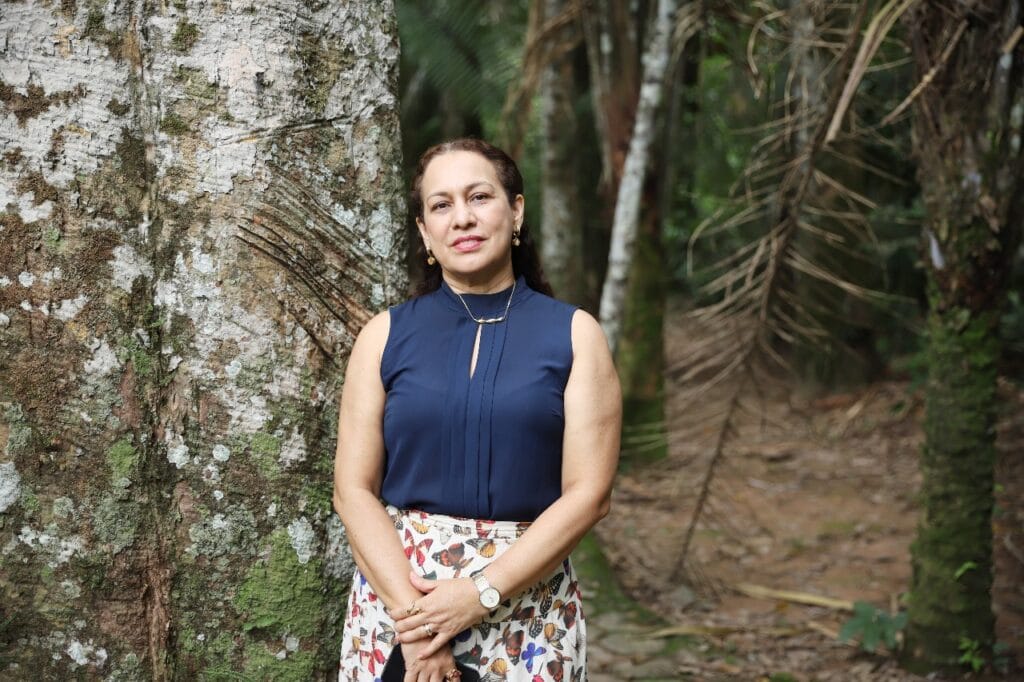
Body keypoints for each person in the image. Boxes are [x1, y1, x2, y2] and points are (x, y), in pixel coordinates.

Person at [333, 138, 621, 682]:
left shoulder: (575, 335)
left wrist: (477, 593)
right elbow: (352, 490)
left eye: (479, 197)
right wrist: (418, 625)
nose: (461, 218)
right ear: (424, 232)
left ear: (516, 210)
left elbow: (590, 494)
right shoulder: (384, 336)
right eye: (441, 205)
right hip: (398, 604)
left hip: (526, 609)